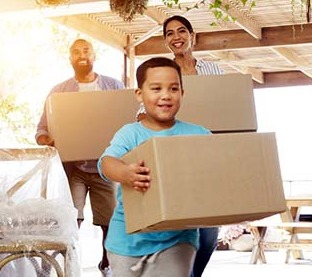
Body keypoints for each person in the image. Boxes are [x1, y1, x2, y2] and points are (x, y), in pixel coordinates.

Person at [97, 57, 213, 276]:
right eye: (156, 88)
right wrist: (125, 173)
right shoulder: (130, 133)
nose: (166, 95)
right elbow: (106, 163)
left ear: (183, 92)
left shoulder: (199, 134)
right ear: (139, 94)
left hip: (177, 241)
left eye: (173, 88)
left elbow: (217, 172)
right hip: (126, 242)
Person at [136, 15, 223, 277]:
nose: (176, 37)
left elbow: (225, 108)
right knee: (179, 229)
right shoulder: (161, 72)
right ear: (165, 41)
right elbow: (140, 114)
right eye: (170, 33)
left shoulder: (213, 71)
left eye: (182, 31)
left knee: (208, 235)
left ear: (192, 36)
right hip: (173, 156)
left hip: (205, 155)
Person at [35, 38, 125, 277]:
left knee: (109, 220)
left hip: (104, 166)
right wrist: (46, 139)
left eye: (86, 50)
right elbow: (42, 128)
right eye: (76, 52)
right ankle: (63, 262)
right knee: (70, 219)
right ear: (70, 58)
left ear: (94, 55)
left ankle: (106, 263)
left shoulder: (114, 86)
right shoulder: (58, 92)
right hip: (73, 168)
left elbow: (128, 120)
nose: (81, 55)